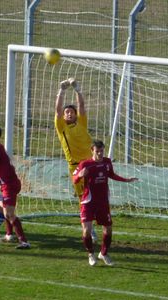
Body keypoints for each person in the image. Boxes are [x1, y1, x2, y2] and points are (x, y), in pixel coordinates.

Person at [73, 140, 138, 266]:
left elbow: (111, 175)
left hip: (103, 201)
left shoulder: (107, 162)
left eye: (102, 151)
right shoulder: (85, 164)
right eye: (97, 151)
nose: (100, 154)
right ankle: (91, 254)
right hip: (88, 201)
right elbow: (75, 180)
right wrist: (80, 175)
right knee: (86, 230)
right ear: (92, 150)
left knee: (108, 229)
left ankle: (103, 253)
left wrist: (126, 180)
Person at [54, 77, 99, 242]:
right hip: (76, 167)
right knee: (84, 198)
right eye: (67, 112)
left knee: (97, 194)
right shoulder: (61, 127)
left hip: (92, 163)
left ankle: (100, 220)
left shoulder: (81, 122)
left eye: (71, 112)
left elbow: (82, 106)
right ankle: (89, 229)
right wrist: (62, 90)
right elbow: (58, 110)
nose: (69, 113)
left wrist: (77, 89)